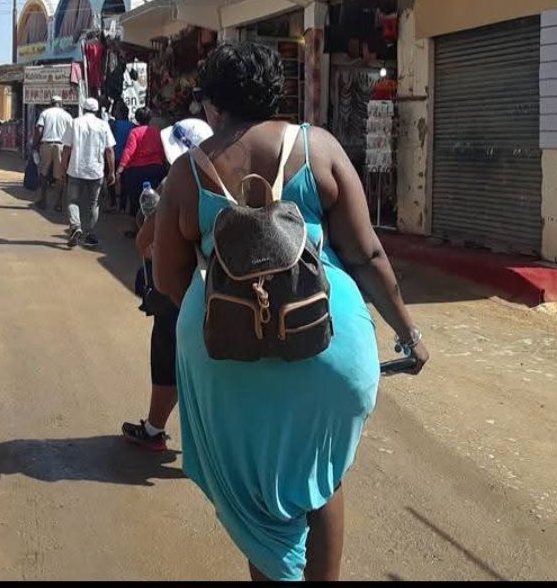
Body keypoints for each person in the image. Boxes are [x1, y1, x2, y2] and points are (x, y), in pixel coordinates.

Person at [152, 41, 429, 582]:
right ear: (274, 93)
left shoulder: (187, 172)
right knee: (320, 479)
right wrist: (408, 332)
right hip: (325, 339)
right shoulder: (316, 147)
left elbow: (167, 280)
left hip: (224, 355)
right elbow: (368, 253)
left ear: (213, 105)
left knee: (257, 490)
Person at [122, 118, 213, 452]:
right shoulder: (231, 179)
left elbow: (145, 239)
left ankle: (154, 429)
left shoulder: (175, 182)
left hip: (177, 290)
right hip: (219, 291)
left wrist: (149, 215)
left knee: (168, 359)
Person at [59, 97, 115, 248]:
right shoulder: (103, 125)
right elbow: (109, 150)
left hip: (76, 169)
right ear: (96, 110)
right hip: (96, 171)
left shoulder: (75, 122)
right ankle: (90, 234)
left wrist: (63, 167)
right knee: (94, 204)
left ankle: (76, 226)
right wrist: (112, 171)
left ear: (83, 109)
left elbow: (67, 149)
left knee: (72, 201)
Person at [116, 108, 167, 236]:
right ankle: (152, 230)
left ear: (137, 119)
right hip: (156, 169)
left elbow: (129, 151)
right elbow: (162, 151)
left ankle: (137, 230)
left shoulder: (134, 132)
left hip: (137, 172)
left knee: (136, 200)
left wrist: (121, 168)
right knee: (154, 200)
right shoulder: (157, 132)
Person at [33, 95, 73, 211]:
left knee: (43, 172)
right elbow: (71, 133)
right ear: (61, 104)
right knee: (60, 175)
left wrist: (35, 144)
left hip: (46, 144)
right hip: (61, 145)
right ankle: (58, 202)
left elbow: (39, 130)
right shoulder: (67, 116)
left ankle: (42, 199)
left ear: (51, 103)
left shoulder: (45, 113)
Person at [110, 101, 134, 212]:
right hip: (128, 158)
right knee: (125, 182)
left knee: (111, 179)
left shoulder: (114, 125)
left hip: (115, 156)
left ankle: (113, 202)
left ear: (119, 113)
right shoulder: (133, 126)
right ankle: (123, 206)